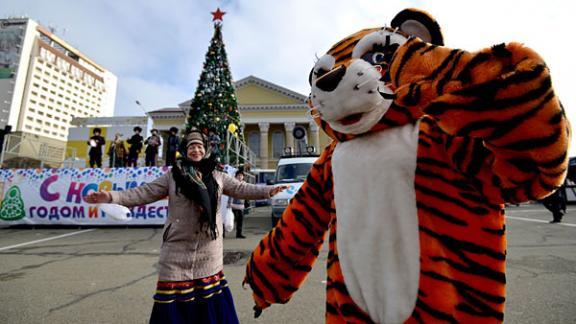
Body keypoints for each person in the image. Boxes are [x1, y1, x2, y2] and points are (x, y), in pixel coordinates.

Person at [84, 130, 288, 324]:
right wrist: (112, 196)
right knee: (171, 303)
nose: (196, 150)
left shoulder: (218, 175)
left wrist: (269, 190)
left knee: (208, 302)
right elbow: (143, 192)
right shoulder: (173, 176)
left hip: (209, 250)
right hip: (176, 249)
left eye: (199, 146)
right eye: (191, 147)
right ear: (185, 150)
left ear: (206, 149)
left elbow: (243, 189)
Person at [227, 170, 247, 239]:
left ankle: (239, 234)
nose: (240, 177)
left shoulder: (245, 185)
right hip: (233, 204)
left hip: (241, 205)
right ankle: (223, 233)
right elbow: (230, 194)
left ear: (243, 177)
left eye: (241, 175)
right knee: (229, 219)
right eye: (238, 175)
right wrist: (229, 203)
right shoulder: (233, 184)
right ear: (236, 176)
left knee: (240, 220)